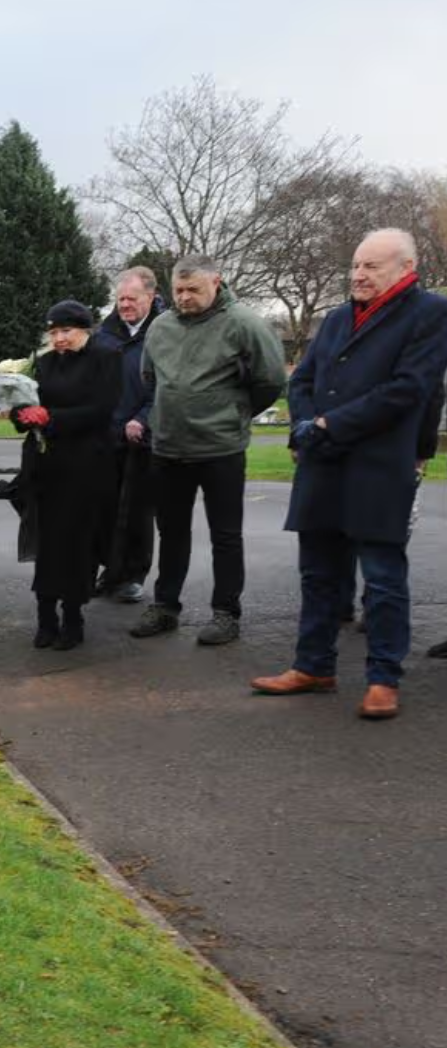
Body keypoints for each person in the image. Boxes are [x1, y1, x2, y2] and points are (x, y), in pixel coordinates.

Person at [250, 229, 447, 719]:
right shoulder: (338, 317)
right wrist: (303, 429)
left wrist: (329, 425)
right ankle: (313, 666)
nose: (358, 274)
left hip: (379, 463)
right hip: (323, 461)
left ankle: (383, 679)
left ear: (405, 269)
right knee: (318, 574)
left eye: (371, 267)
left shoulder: (430, 313)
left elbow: (409, 389)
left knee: (382, 578)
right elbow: (303, 380)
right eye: (356, 265)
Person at [128, 254, 286, 646]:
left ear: (217, 282)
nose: (184, 297)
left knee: (225, 535)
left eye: (193, 289)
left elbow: (270, 380)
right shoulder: (161, 326)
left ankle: (226, 613)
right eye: (178, 290)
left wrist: (234, 412)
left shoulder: (244, 324)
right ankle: (165, 607)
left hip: (221, 448)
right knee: (172, 532)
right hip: (168, 446)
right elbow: (149, 377)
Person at [13, 301, 122, 650]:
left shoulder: (105, 357)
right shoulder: (44, 363)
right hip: (45, 465)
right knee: (46, 543)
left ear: (84, 330)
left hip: (86, 465)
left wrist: (52, 418)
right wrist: (21, 415)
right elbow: (25, 401)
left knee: (75, 544)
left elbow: (102, 409)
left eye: (66, 331)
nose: (59, 338)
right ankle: (46, 617)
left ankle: (73, 617)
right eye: (53, 332)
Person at [92, 266, 167, 603]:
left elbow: (168, 385)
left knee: (138, 511)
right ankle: (111, 572)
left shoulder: (166, 331)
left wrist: (143, 418)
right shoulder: (104, 334)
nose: (124, 305)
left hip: (144, 438)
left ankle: (134, 575)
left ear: (150, 296)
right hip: (108, 437)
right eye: (120, 298)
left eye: (131, 298)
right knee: (106, 508)